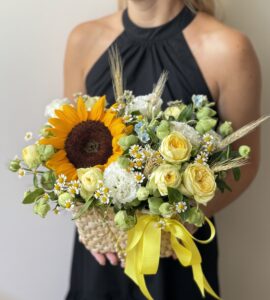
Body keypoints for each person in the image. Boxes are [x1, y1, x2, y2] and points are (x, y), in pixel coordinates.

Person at [64, 0, 261, 299]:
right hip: (100, 255)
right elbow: (68, 151)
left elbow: (243, 163)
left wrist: (176, 220)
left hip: (177, 255)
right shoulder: (84, 39)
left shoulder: (228, 49)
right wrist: (90, 222)